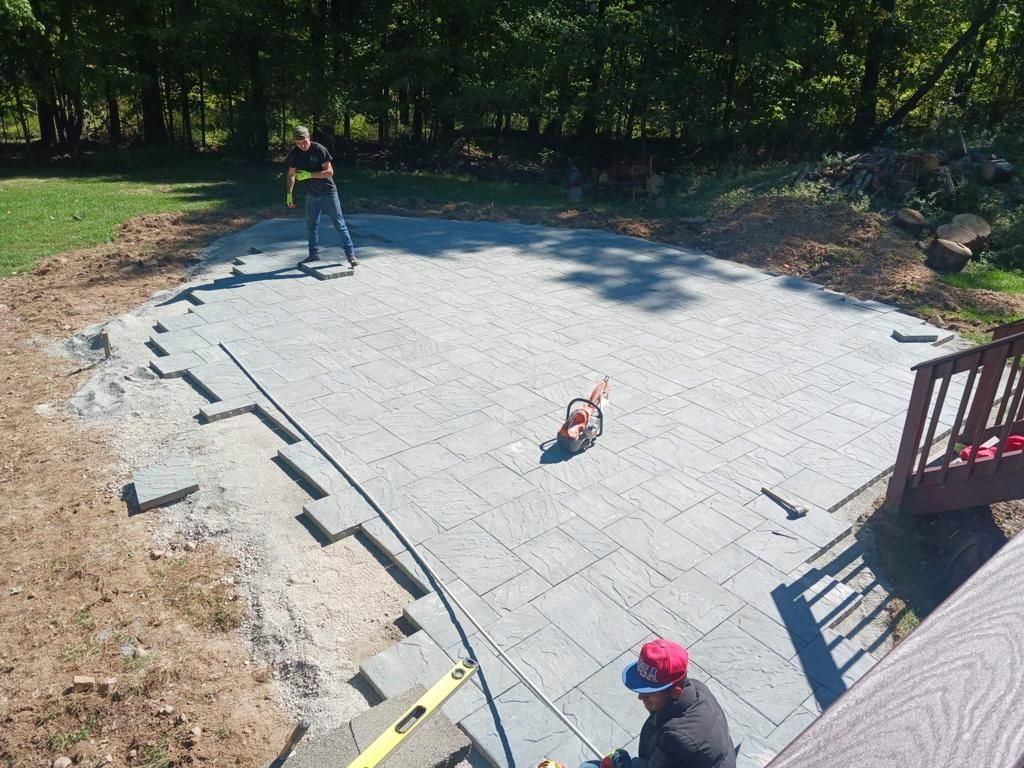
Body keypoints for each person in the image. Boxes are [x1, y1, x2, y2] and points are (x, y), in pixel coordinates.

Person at [577, 638, 735, 768]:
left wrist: (622, 761)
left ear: (676, 692)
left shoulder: (676, 737)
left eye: (649, 693)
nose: (640, 697)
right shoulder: (697, 688)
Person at [285, 125, 358, 268]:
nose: (303, 145)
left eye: (305, 141)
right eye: (299, 143)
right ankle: (313, 254)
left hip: (328, 192)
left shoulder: (319, 149)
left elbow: (330, 172)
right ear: (295, 142)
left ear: (309, 137)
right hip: (312, 194)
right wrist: (289, 194)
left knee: (339, 224)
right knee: (311, 226)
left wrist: (309, 175)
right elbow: (291, 175)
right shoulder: (294, 154)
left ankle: (351, 255)